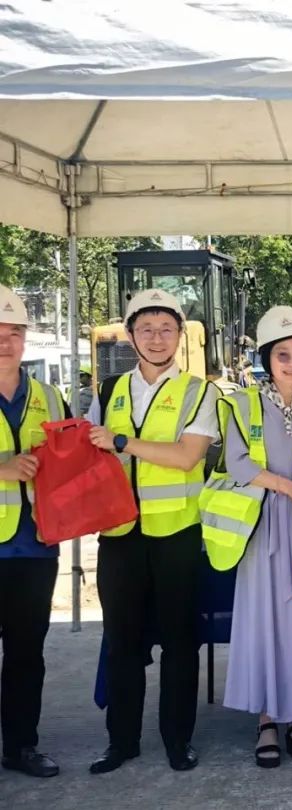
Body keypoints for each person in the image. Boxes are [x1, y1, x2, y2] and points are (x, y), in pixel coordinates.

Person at [86, 288, 221, 774]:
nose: (157, 338)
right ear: (130, 335)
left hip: (177, 536)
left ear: (180, 337)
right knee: (121, 641)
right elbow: (89, 455)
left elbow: (188, 455)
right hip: (119, 536)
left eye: (167, 329)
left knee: (180, 643)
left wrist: (123, 442)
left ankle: (176, 739)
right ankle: (120, 742)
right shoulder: (108, 391)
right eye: (147, 329)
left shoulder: (199, 392)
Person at [200, 306, 292, 768]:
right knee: (264, 623)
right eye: (283, 355)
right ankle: (264, 720)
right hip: (260, 527)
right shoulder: (240, 403)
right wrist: (289, 488)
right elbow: (237, 463)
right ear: (265, 358)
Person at [0, 285, 68, 778]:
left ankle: (21, 746)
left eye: (14, 333)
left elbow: (68, 464)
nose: (6, 343)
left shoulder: (49, 397)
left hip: (35, 547)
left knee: (27, 654)